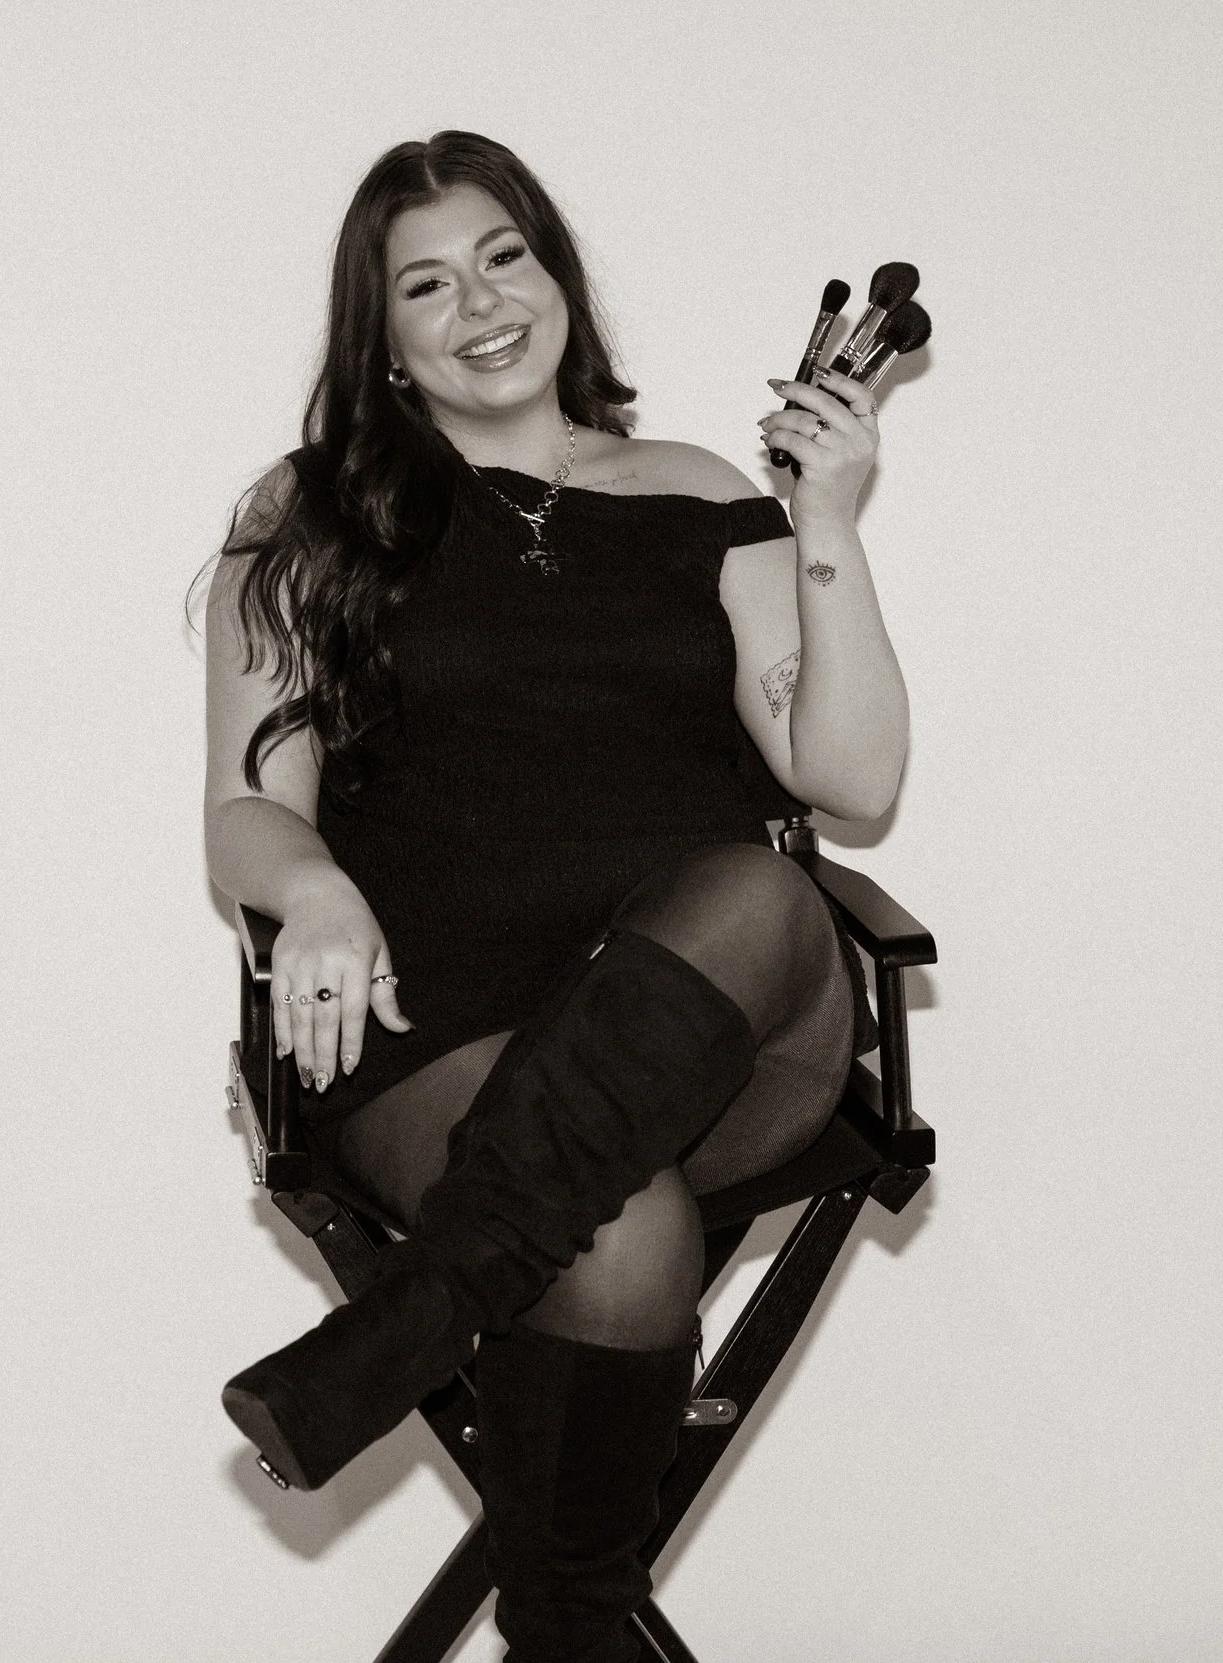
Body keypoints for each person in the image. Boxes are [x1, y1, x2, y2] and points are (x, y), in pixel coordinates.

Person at [202, 131, 908, 1662]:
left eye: (505, 256)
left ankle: (409, 1321)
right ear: (381, 343)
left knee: (765, 890)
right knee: (615, 1236)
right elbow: (247, 807)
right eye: (427, 285)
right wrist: (312, 883)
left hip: (717, 1040)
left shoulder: (706, 495)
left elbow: (850, 775)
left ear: (559, 273)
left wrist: (826, 520)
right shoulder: (312, 515)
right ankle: (570, 1621)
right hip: (437, 1033)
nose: (482, 305)